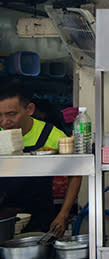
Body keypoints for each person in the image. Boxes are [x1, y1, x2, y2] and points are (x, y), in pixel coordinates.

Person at [0, 83, 81, 235]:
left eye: (11, 114)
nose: (4, 122)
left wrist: (62, 215)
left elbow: (76, 173)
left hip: (41, 216)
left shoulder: (52, 135)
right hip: (3, 216)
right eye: (0, 115)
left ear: (29, 109)